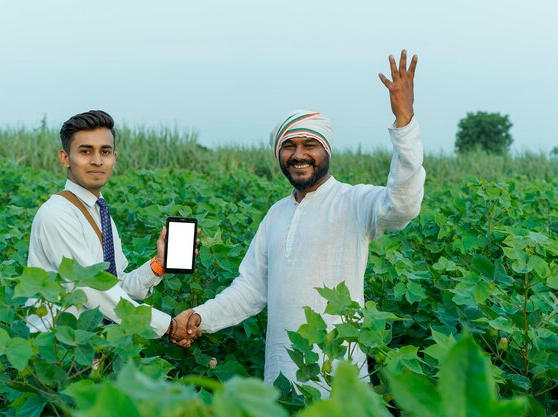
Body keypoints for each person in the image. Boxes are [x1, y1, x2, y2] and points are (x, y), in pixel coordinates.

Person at [176, 50, 425, 387]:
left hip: (340, 380)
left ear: (327, 152)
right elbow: (250, 289)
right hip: (281, 377)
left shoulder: (354, 201)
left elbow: (403, 205)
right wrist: (201, 317)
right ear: (279, 154)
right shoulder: (276, 214)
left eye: (310, 144)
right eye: (288, 146)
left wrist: (404, 124)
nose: (299, 154)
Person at [26, 110, 191, 341]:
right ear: (65, 158)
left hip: (91, 347)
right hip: (57, 350)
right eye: (85, 151)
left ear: (114, 157)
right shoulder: (58, 214)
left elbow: (116, 284)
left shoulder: (99, 211)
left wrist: (158, 265)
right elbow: (94, 291)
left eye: (105, 151)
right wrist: (169, 327)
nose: (97, 160)